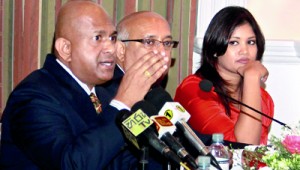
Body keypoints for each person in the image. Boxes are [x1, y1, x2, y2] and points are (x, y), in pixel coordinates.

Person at [0, 1, 169, 169]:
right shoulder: (34, 96)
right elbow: (71, 164)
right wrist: (122, 104)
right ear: (66, 48)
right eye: (98, 38)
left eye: (112, 38)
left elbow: (126, 159)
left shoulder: (105, 91)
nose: (111, 48)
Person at [174, 6, 274, 145]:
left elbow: (256, 157)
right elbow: (241, 147)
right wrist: (251, 78)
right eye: (234, 42)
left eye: (251, 42)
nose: (244, 51)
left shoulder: (263, 98)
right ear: (215, 48)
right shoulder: (196, 90)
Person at [103, 11, 178, 97]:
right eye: (150, 42)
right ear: (121, 50)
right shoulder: (107, 95)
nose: (162, 52)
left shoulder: (159, 95)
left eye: (167, 43)